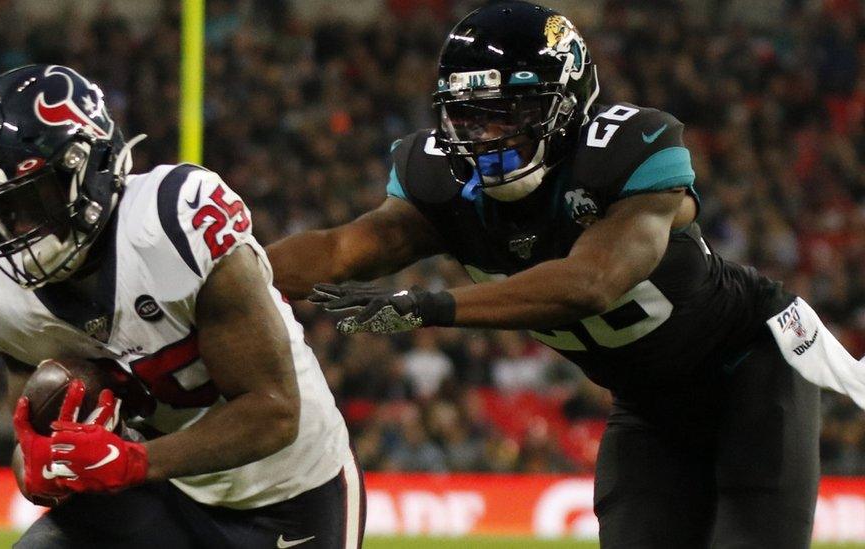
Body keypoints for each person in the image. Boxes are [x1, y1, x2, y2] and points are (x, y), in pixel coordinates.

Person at [267, 2, 850, 547]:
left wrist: (431, 307)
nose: (484, 134)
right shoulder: (441, 182)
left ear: (567, 103)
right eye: (468, 114)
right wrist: (227, 274)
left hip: (749, 372)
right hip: (648, 407)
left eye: (506, 112)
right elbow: (341, 248)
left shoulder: (628, 149)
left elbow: (590, 282)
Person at [0, 64, 364, 548]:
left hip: (289, 493)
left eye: (30, 201)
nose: (16, 231)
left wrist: (132, 460)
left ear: (89, 167)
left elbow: (272, 411)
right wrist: (42, 466)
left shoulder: (173, 224)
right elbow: (32, 442)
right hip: (156, 492)